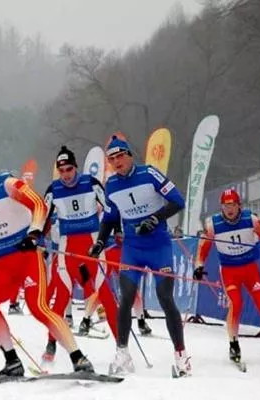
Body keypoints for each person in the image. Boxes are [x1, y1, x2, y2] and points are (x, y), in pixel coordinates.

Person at [0, 147, 94, 376]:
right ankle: (12, 360)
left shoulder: (8, 184)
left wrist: (33, 233)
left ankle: (78, 357)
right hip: (0, 262)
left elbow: (39, 205)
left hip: (27, 257)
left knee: (38, 307)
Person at [94, 135, 189, 376]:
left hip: (159, 246)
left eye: (120, 156)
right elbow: (109, 218)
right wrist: (100, 242)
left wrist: (155, 218)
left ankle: (181, 356)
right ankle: (122, 354)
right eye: (111, 158)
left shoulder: (149, 173)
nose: (116, 162)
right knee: (125, 299)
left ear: (129, 155)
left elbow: (178, 201)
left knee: (165, 298)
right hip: (132, 249)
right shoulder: (112, 185)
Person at [194, 188, 260, 361]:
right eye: (226, 206)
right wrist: (199, 266)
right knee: (236, 303)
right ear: (221, 207)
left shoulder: (251, 219)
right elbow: (204, 247)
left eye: (232, 205)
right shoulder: (213, 225)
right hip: (229, 271)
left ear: (239, 205)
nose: (229, 209)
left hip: (250, 269)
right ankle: (234, 344)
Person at [41, 146, 119, 362]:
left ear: (75, 167)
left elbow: (111, 210)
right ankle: (51, 345)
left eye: (69, 169)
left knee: (107, 296)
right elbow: (43, 219)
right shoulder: (53, 189)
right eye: (62, 170)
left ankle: (122, 350)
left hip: (93, 247)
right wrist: (35, 239)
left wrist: (119, 230)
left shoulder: (91, 184)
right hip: (67, 250)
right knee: (60, 300)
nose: (66, 175)